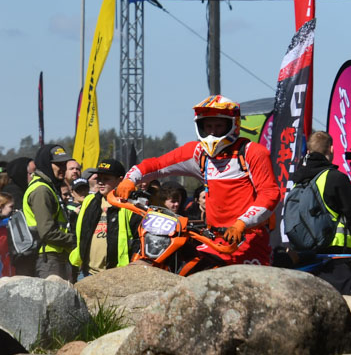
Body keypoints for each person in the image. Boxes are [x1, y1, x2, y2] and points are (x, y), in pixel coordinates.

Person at [116, 95, 279, 263]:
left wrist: (242, 223)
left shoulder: (252, 152)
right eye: (208, 126)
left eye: (218, 126)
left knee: (245, 279)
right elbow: (157, 165)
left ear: (232, 125)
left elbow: (270, 194)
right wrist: (130, 179)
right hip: (212, 238)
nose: (213, 132)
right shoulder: (199, 153)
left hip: (248, 237)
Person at [285, 131, 351, 295]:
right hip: (336, 260)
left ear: (308, 151)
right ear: (331, 148)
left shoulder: (297, 180)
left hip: (305, 258)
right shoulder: (335, 178)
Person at [70, 159, 136, 277]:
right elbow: (78, 231)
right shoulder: (89, 201)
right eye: (99, 178)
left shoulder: (128, 205)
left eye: (106, 179)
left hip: (117, 274)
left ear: (120, 180)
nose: (100, 182)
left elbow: (137, 240)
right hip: (87, 272)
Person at [24, 143, 74, 280]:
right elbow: (47, 232)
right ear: (46, 164)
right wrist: (75, 240)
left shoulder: (49, 186)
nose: (63, 168)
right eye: (58, 164)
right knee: (51, 295)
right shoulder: (42, 190)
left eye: (64, 164)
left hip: (55, 255)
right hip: (48, 258)